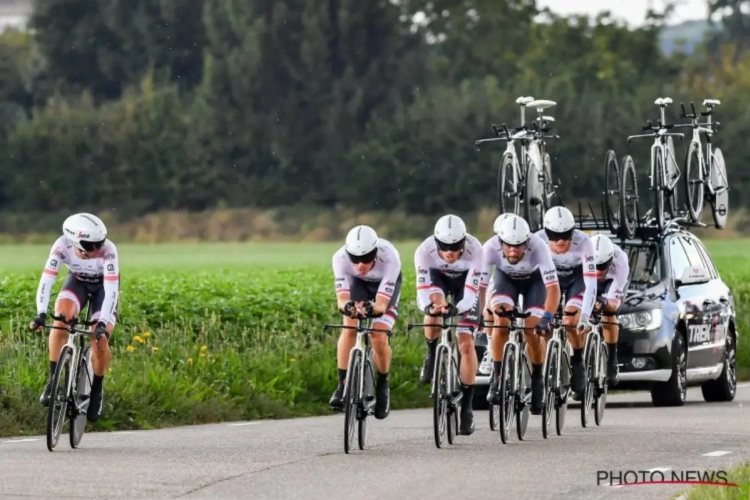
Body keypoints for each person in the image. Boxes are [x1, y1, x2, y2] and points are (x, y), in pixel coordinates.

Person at [30, 213, 119, 423]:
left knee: (100, 338)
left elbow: (112, 289)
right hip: (77, 282)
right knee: (60, 322)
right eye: (91, 246)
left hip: (103, 289)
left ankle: (96, 390)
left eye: (100, 244)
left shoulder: (109, 251)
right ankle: (53, 381)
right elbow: (46, 281)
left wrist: (103, 324)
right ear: (74, 241)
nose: (97, 250)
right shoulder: (61, 246)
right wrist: (42, 313)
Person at [480, 214, 561, 415]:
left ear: (527, 242)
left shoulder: (539, 247)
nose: (513, 250)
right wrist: (481, 311)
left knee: (532, 331)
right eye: (508, 245)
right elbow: (480, 286)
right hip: (505, 279)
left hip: (535, 282)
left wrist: (547, 318)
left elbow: (553, 288)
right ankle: (497, 377)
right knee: (500, 320)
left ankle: (537, 379)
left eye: (519, 246)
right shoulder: (489, 247)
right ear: (500, 241)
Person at [415, 214, 483, 435]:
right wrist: (429, 308)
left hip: (466, 286)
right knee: (435, 306)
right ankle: (432, 353)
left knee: (465, 344)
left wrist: (458, 309)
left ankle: (467, 406)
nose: (450, 252)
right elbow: (423, 292)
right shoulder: (424, 251)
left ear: (463, 242)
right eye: (444, 247)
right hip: (438, 279)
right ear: (436, 242)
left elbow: (472, 294)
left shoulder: (476, 250)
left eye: (455, 246)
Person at [329, 225, 401, 420]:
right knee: (348, 327)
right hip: (358, 286)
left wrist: (374, 309)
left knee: (378, 336)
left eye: (367, 258)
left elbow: (381, 304)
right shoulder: (340, 258)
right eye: (355, 259)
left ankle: (383, 383)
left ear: (375, 253)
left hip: (383, 289)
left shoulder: (390, 257)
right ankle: (342, 385)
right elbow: (342, 300)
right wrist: (349, 307)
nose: (361, 264)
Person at [535, 206, 597, 397]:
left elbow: (591, 282)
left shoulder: (584, 242)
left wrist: (585, 316)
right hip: (549, 279)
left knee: (570, 321)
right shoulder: (537, 241)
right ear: (546, 234)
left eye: (565, 235)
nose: (560, 241)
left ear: (573, 233)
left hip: (576, 279)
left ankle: (577, 359)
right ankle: (544, 367)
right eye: (554, 236)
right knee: (543, 325)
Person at [591, 234, 630, 385]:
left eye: (602, 267)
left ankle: (612, 360)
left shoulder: (620, 263)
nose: (599, 271)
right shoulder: (583, 257)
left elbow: (612, 305)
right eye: (595, 266)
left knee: (609, 313)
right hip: (588, 278)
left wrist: (604, 302)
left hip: (612, 280)